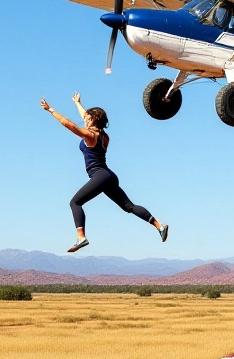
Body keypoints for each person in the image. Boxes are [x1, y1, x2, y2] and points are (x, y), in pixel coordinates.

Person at [40, 92, 168, 252]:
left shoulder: (90, 136)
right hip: (108, 176)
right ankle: (159, 225)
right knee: (129, 206)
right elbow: (86, 116)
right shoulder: (103, 136)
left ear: (94, 120)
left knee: (75, 202)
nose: (85, 119)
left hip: (100, 175)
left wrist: (51, 110)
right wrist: (78, 103)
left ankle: (81, 237)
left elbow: (69, 124)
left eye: (88, 118)